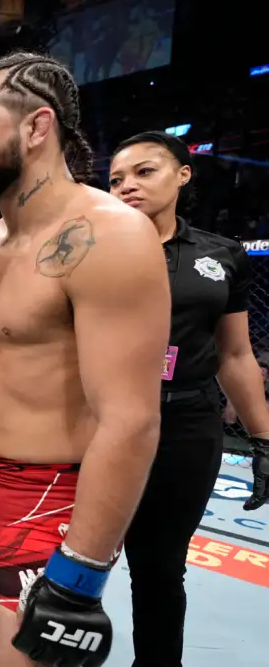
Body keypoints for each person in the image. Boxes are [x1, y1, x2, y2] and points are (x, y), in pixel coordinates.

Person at [0, 51, 170, 667]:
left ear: (37, 127)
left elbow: (131, 419)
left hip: (46, 500)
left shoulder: (110, 233)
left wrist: (83, 573)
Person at [108, 130, 269, 666]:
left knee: (159, 568)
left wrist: (263, 437)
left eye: (144, 171)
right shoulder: (85, 249)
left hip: (185, 428)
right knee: (72, 558)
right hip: (101, 424)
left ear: (183, 174)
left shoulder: (220, 255)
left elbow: (236, 356)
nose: (127, 185)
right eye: (115, 179)